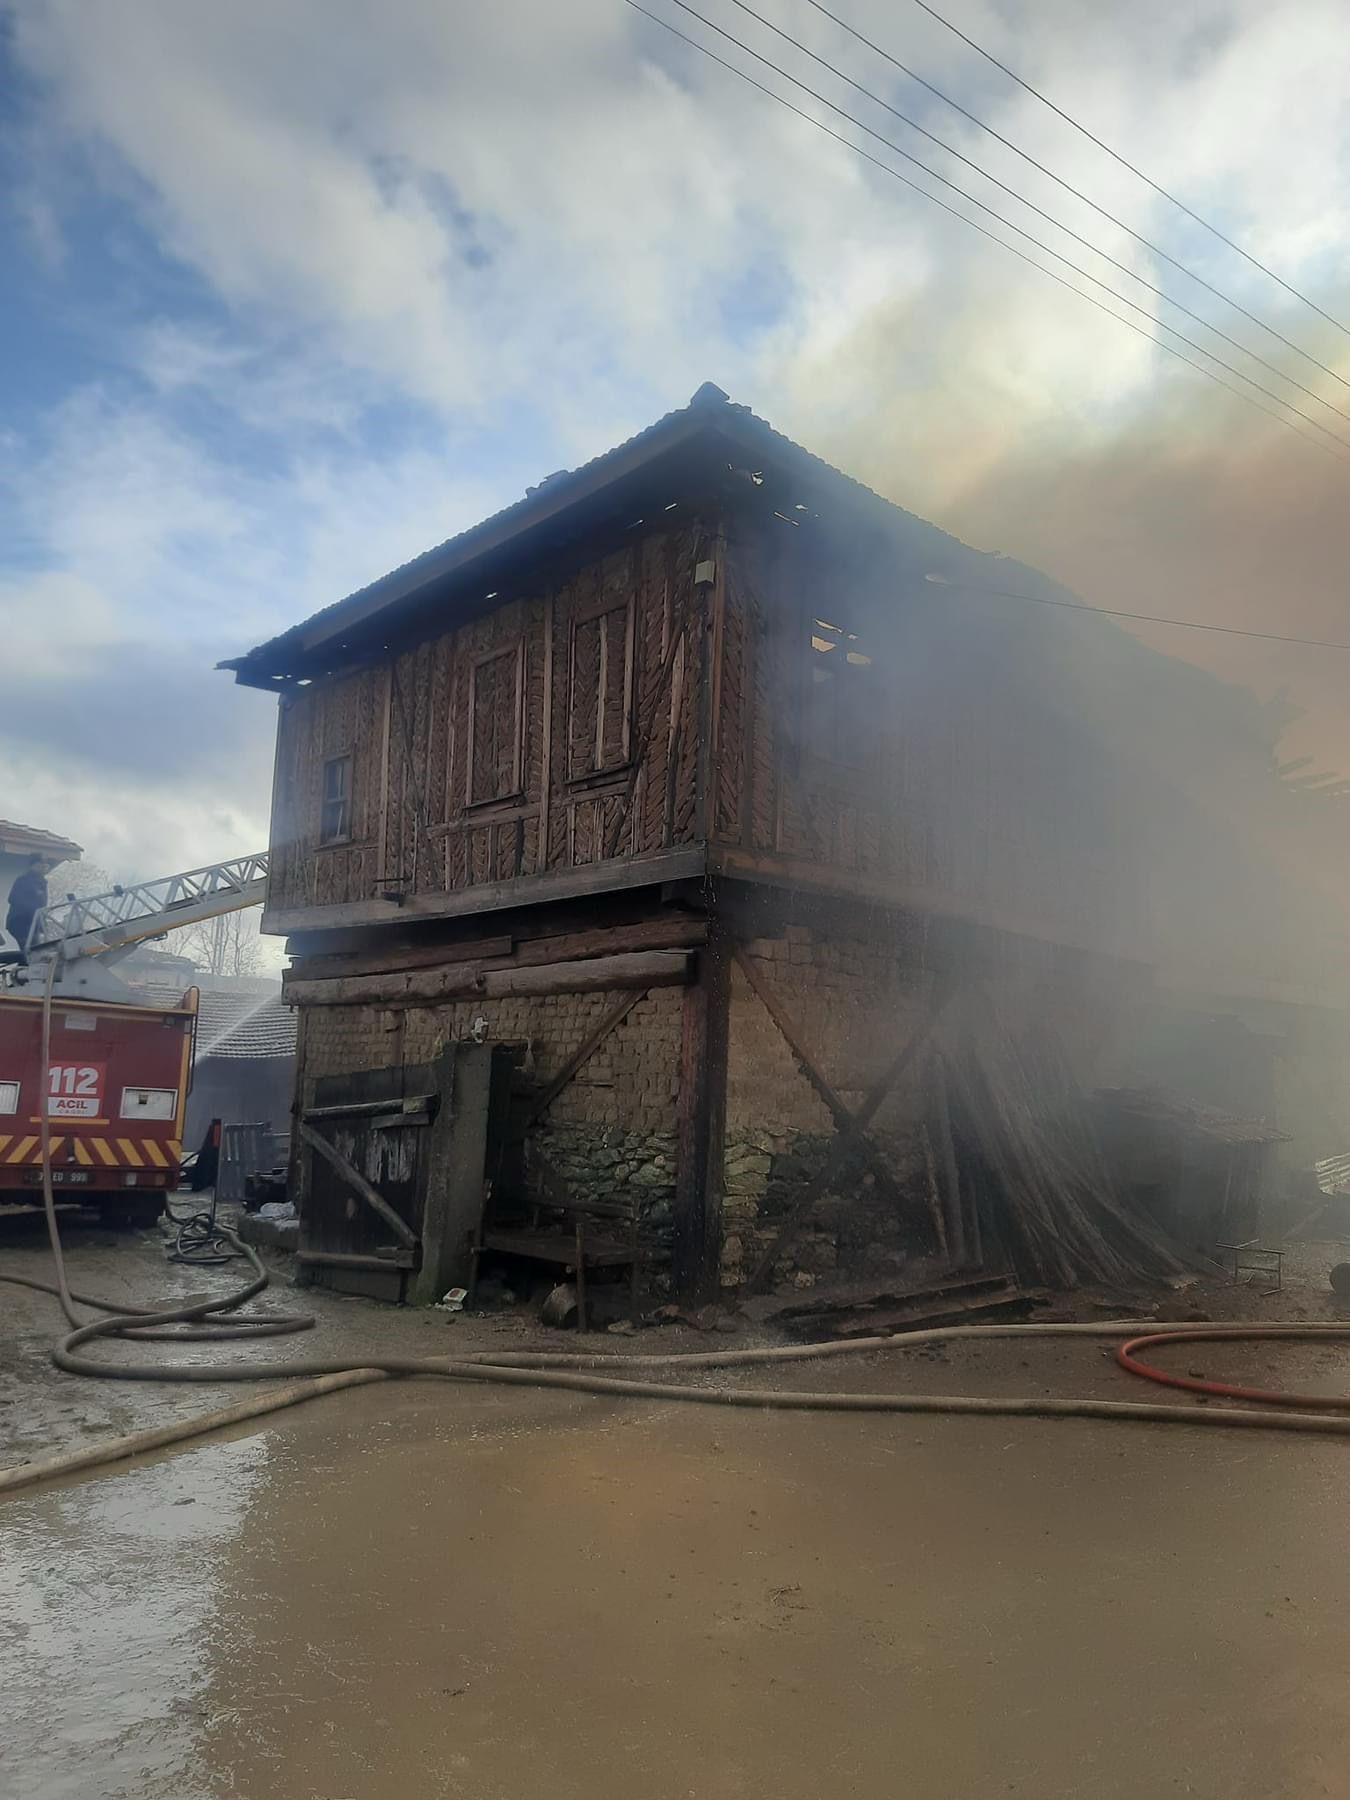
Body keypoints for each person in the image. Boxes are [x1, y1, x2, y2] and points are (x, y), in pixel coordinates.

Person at [5, 855, 51, 957]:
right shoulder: (24, 880)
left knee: (38, 950)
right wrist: (31, 909)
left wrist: (42, 924)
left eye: (45, 865)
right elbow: (12, 898)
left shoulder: (42, 882)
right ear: (33, 865)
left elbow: (42, 906)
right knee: (31, 952)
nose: (43, 867)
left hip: (33, 923)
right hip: (20, 922)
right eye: (41, 864)